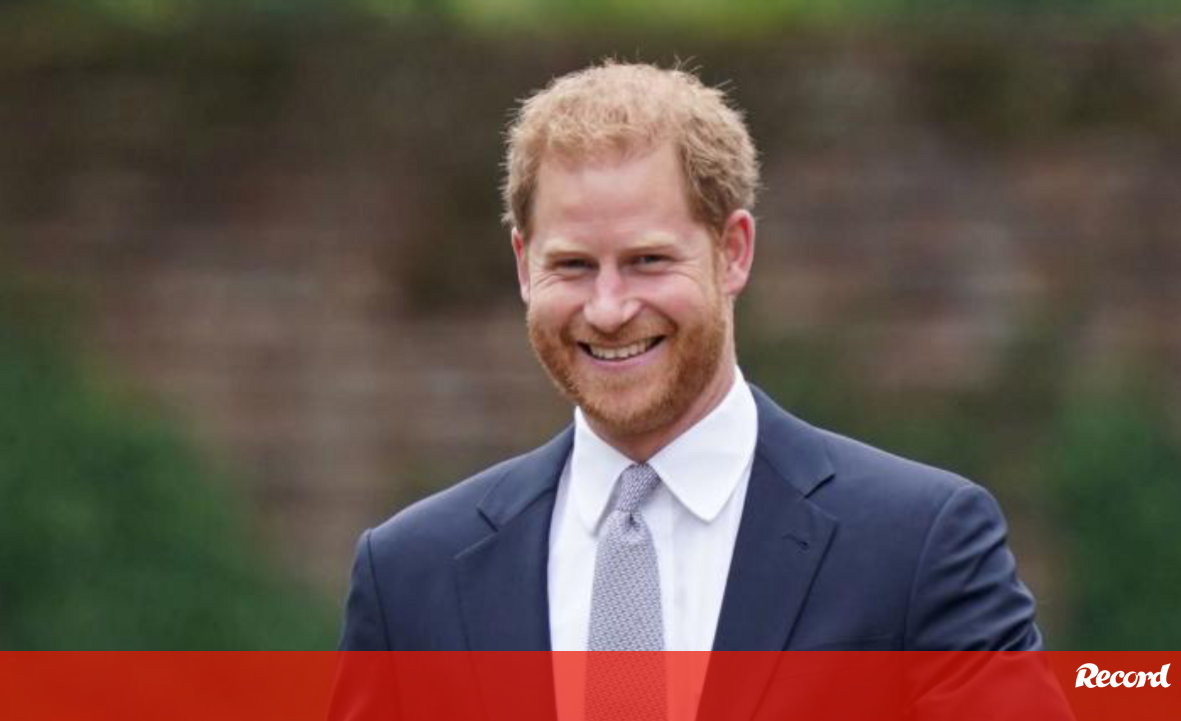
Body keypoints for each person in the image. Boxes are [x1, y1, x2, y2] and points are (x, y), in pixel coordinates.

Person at [339, 59, 1044, 663]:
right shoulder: (408, 576)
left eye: (648, 260)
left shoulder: (918, 545)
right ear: (524, 265)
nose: (608, 308)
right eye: (574, 265)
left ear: (733, 251)